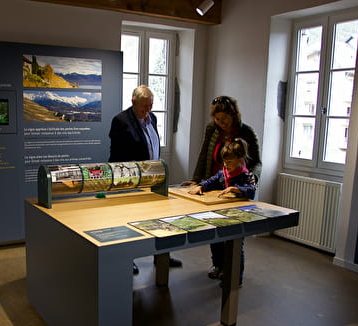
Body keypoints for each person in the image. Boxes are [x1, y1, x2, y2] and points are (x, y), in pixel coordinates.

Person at [184, 95, 262, 286]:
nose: (221, 123)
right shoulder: (212, 129)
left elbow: (257, 161)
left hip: (237, 188)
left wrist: (252, 178)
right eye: (217, 119)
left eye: (224, 119)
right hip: (217, 187)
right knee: (214, 231)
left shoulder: (247, 132)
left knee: (234, 236)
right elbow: (204, 154)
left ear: (233, 115)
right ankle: (218, 265)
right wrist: (197, 181)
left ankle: (233, 273)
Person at [109, 85, 182, 274]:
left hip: (154, 177)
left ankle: (162, 256)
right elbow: (117, 157)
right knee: (130, 220)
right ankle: (128, 259)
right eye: (144, 107)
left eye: (150, 106)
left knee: (159, 218)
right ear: (133, 102)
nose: (148, 110)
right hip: (132, 180)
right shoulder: (120, 121)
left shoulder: (153, 118)